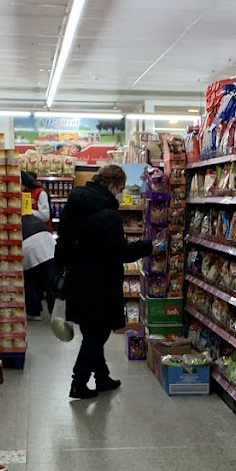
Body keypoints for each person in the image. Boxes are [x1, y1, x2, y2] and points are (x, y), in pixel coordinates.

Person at [57, 163, 150, 400]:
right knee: (97, 334)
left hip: (77, 280)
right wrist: (146, 246)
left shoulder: (74, 205)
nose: (121, 193)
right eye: (121, 188)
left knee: (91, 331)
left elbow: (62, 244)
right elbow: (120, 252)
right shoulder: (108, 215)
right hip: (100, 283)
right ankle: (78, 382)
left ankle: (102, 377)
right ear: (112, 185)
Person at [22, 211, 60, 320]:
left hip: (27, 246)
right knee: (50, 283)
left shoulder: (15, 221)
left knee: (30, 282)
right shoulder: (32, 216)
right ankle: (55, 313)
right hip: (47, 243)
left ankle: (34, 312)